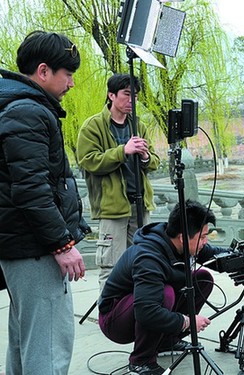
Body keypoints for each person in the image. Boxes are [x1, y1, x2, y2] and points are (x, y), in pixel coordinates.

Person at [0, 31, 90, 374]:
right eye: (67, 75)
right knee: (49, 345)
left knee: (26, 340)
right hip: (34, 246)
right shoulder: (27, 112)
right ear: (43, 71)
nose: (70, 84)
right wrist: (63, 243)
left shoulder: (15, 105)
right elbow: (31, 188)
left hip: (21, 245)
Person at [97, 200, 228, 374]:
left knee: (203, 278)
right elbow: (147, 312)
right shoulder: (148, 257)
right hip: (114, 319)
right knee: (165, 294)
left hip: (141, 307)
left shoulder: (184, 243)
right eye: (202, 237)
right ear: (183, 237)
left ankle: (167, 341)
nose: (205, 242)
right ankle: (141, 361)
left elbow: (221, 257)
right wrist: (187, 321)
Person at [77, 73, 160, 291]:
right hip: (112, 207)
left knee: (143, 262)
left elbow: (154, 161)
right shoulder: (93, 126)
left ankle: (135, 310)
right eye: (126, 94)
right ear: (111, 95)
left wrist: (145, 157)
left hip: (140, 204)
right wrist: (122, 151)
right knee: (111, 265)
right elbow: (88, 161)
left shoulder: (137, 125)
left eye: (135, 96)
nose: (132, 100)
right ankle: (110, 314)